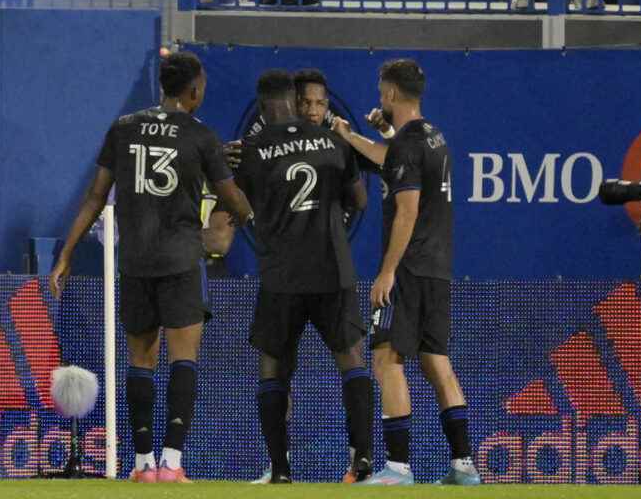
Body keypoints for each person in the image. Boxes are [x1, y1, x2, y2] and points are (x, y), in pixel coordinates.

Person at [49, 51, 252, 484]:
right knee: (184, 357)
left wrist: (66, 254)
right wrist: (243, 202)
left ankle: (142, 466)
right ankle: (172, 463)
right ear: (194, 89)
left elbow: (94, 197)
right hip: (180, 259)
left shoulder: (124, 128)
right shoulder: (201, 136)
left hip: (137, 261)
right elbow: (234, 202)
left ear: (163, 85)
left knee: (141, 360)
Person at [331, 59, 480, 486]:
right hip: (437, 268)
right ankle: (463, 466)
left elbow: (407, 210)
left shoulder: (408, 146)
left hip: (409, 268)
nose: (380, 100)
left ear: (392, 93)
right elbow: (392, 158)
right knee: (436, 361)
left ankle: (398, 468)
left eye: (382, 93)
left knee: (385, 358)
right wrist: (355, 135)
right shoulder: (433, 137)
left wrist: (387, 272)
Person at [236, 69, 371, 484]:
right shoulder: (334, 141)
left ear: (265, 106)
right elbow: (361, 200)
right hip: (333, 269)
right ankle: (360, 462)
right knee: (351, 360)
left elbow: (235, 205)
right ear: (296, 102)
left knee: (273, 368)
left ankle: (279, 469)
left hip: (282, 274)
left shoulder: (252, 150)